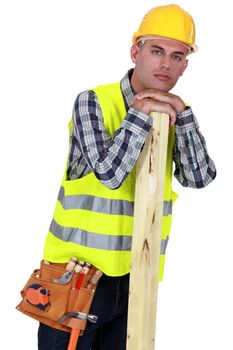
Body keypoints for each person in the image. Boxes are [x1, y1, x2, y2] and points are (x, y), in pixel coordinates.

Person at [38, 4, 216, 350]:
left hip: (136, 279)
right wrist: (139, 113)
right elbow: (109, 174)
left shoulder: (173, 114)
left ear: (185, 65)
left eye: (177, 56)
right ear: (136, 52)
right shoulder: (93, 102)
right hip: (75, 279)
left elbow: (200, 177)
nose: (166, 63)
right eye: (156, 51)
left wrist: (184, 115)